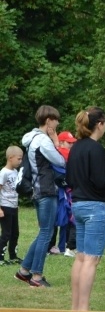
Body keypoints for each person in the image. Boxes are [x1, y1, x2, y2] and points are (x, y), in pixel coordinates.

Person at [65, 107, 105, 310]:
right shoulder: (96, 149)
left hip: (78, 205)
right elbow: (102, 181)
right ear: (99, 124)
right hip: (97, 208)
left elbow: (70, 179)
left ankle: (75, 308)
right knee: (91, 259)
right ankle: (83, 309)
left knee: (81, 256)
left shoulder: (76, 148)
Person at [15, 105, 66, 288]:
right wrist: (56, 141)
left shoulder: (31, 138)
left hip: (37, 191)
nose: (58, 123)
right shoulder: (43, 140)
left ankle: (23, 271)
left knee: (44, 231)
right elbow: (60, 161)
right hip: (46, 190)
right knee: (46, 233)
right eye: (56, 120)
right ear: (49, 121)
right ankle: (37, 277)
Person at [0, 146, 23, 265]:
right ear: (10, 158)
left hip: (14, 207)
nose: (20, 161)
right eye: (19, 159)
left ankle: (13, 256)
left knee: (15, 233)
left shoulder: (15, 172)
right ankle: (0, 257)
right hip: (5, 206)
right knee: (6, 234)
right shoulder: (3, 173)